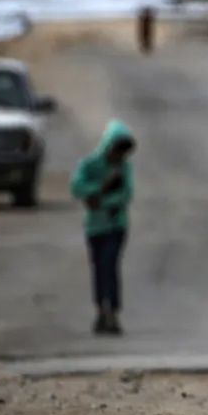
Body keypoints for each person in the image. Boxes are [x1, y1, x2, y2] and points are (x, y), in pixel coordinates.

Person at [70, 120, 135, 336]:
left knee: (110, 266)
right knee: (99, 269)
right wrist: (99, 189)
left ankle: (113, 311)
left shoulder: (123, 168)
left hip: (116, 226)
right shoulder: (91, 165)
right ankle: (101, 311)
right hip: (95, 228)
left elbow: (125, 194)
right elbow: (76, 186)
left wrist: (100, 200)